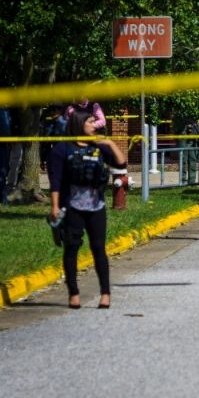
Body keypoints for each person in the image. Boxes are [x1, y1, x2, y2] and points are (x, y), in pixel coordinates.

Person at [47, 108, 127, 309]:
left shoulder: (99, 147)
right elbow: (55, 181)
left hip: (96, 206)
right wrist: (55, 206)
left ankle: (105, 293)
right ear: (79, 124)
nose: (95, 125)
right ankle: (73, 293)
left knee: (98, 248)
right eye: (91, 122)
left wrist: (109, 142)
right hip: (72, 206)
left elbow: (121, 162)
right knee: (72, 248)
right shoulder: (62, 149)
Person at [40, 104, 68, 172]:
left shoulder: (62, 122)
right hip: (48, 139)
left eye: (54, 110)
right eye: (52, 111)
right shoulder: (46, 116)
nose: (52, 113)